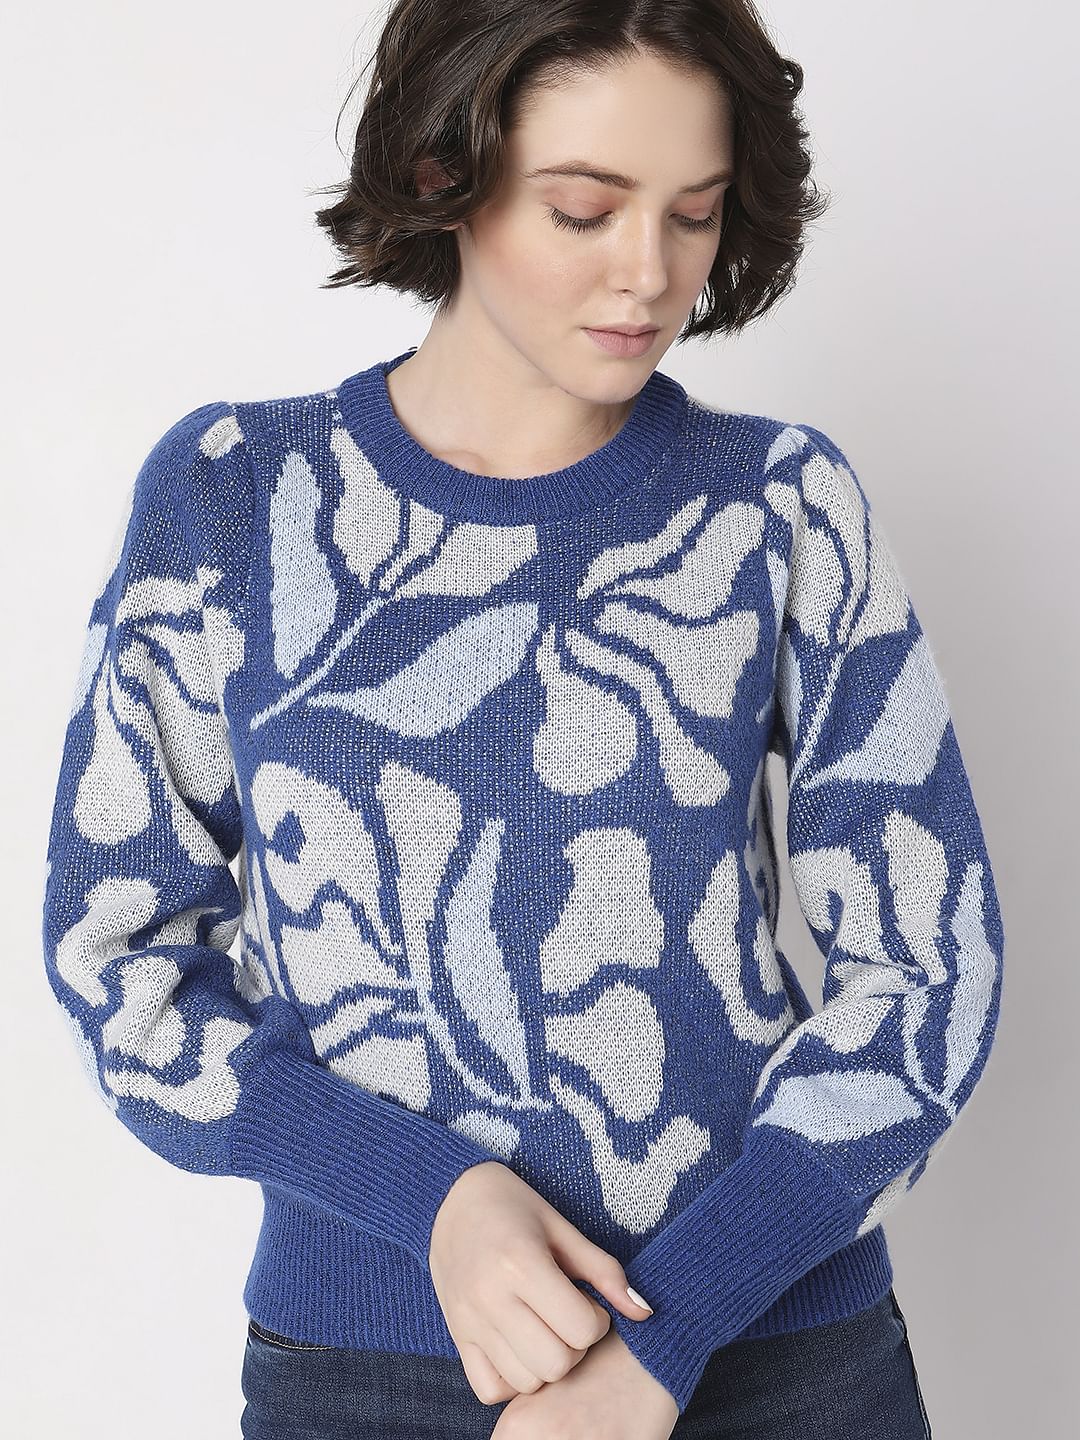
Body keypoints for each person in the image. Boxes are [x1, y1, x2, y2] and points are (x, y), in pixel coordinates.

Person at [39, 2, 1000, 1437]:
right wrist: (432, 1198)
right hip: (364, 1373)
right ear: (447, 175)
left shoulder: (780, 506)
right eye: (583, 209)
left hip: (778, 1357)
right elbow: (118, 959)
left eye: (694, 213)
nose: (650, 272)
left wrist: (666, 1340)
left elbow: (927, 973)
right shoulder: (238, 496)